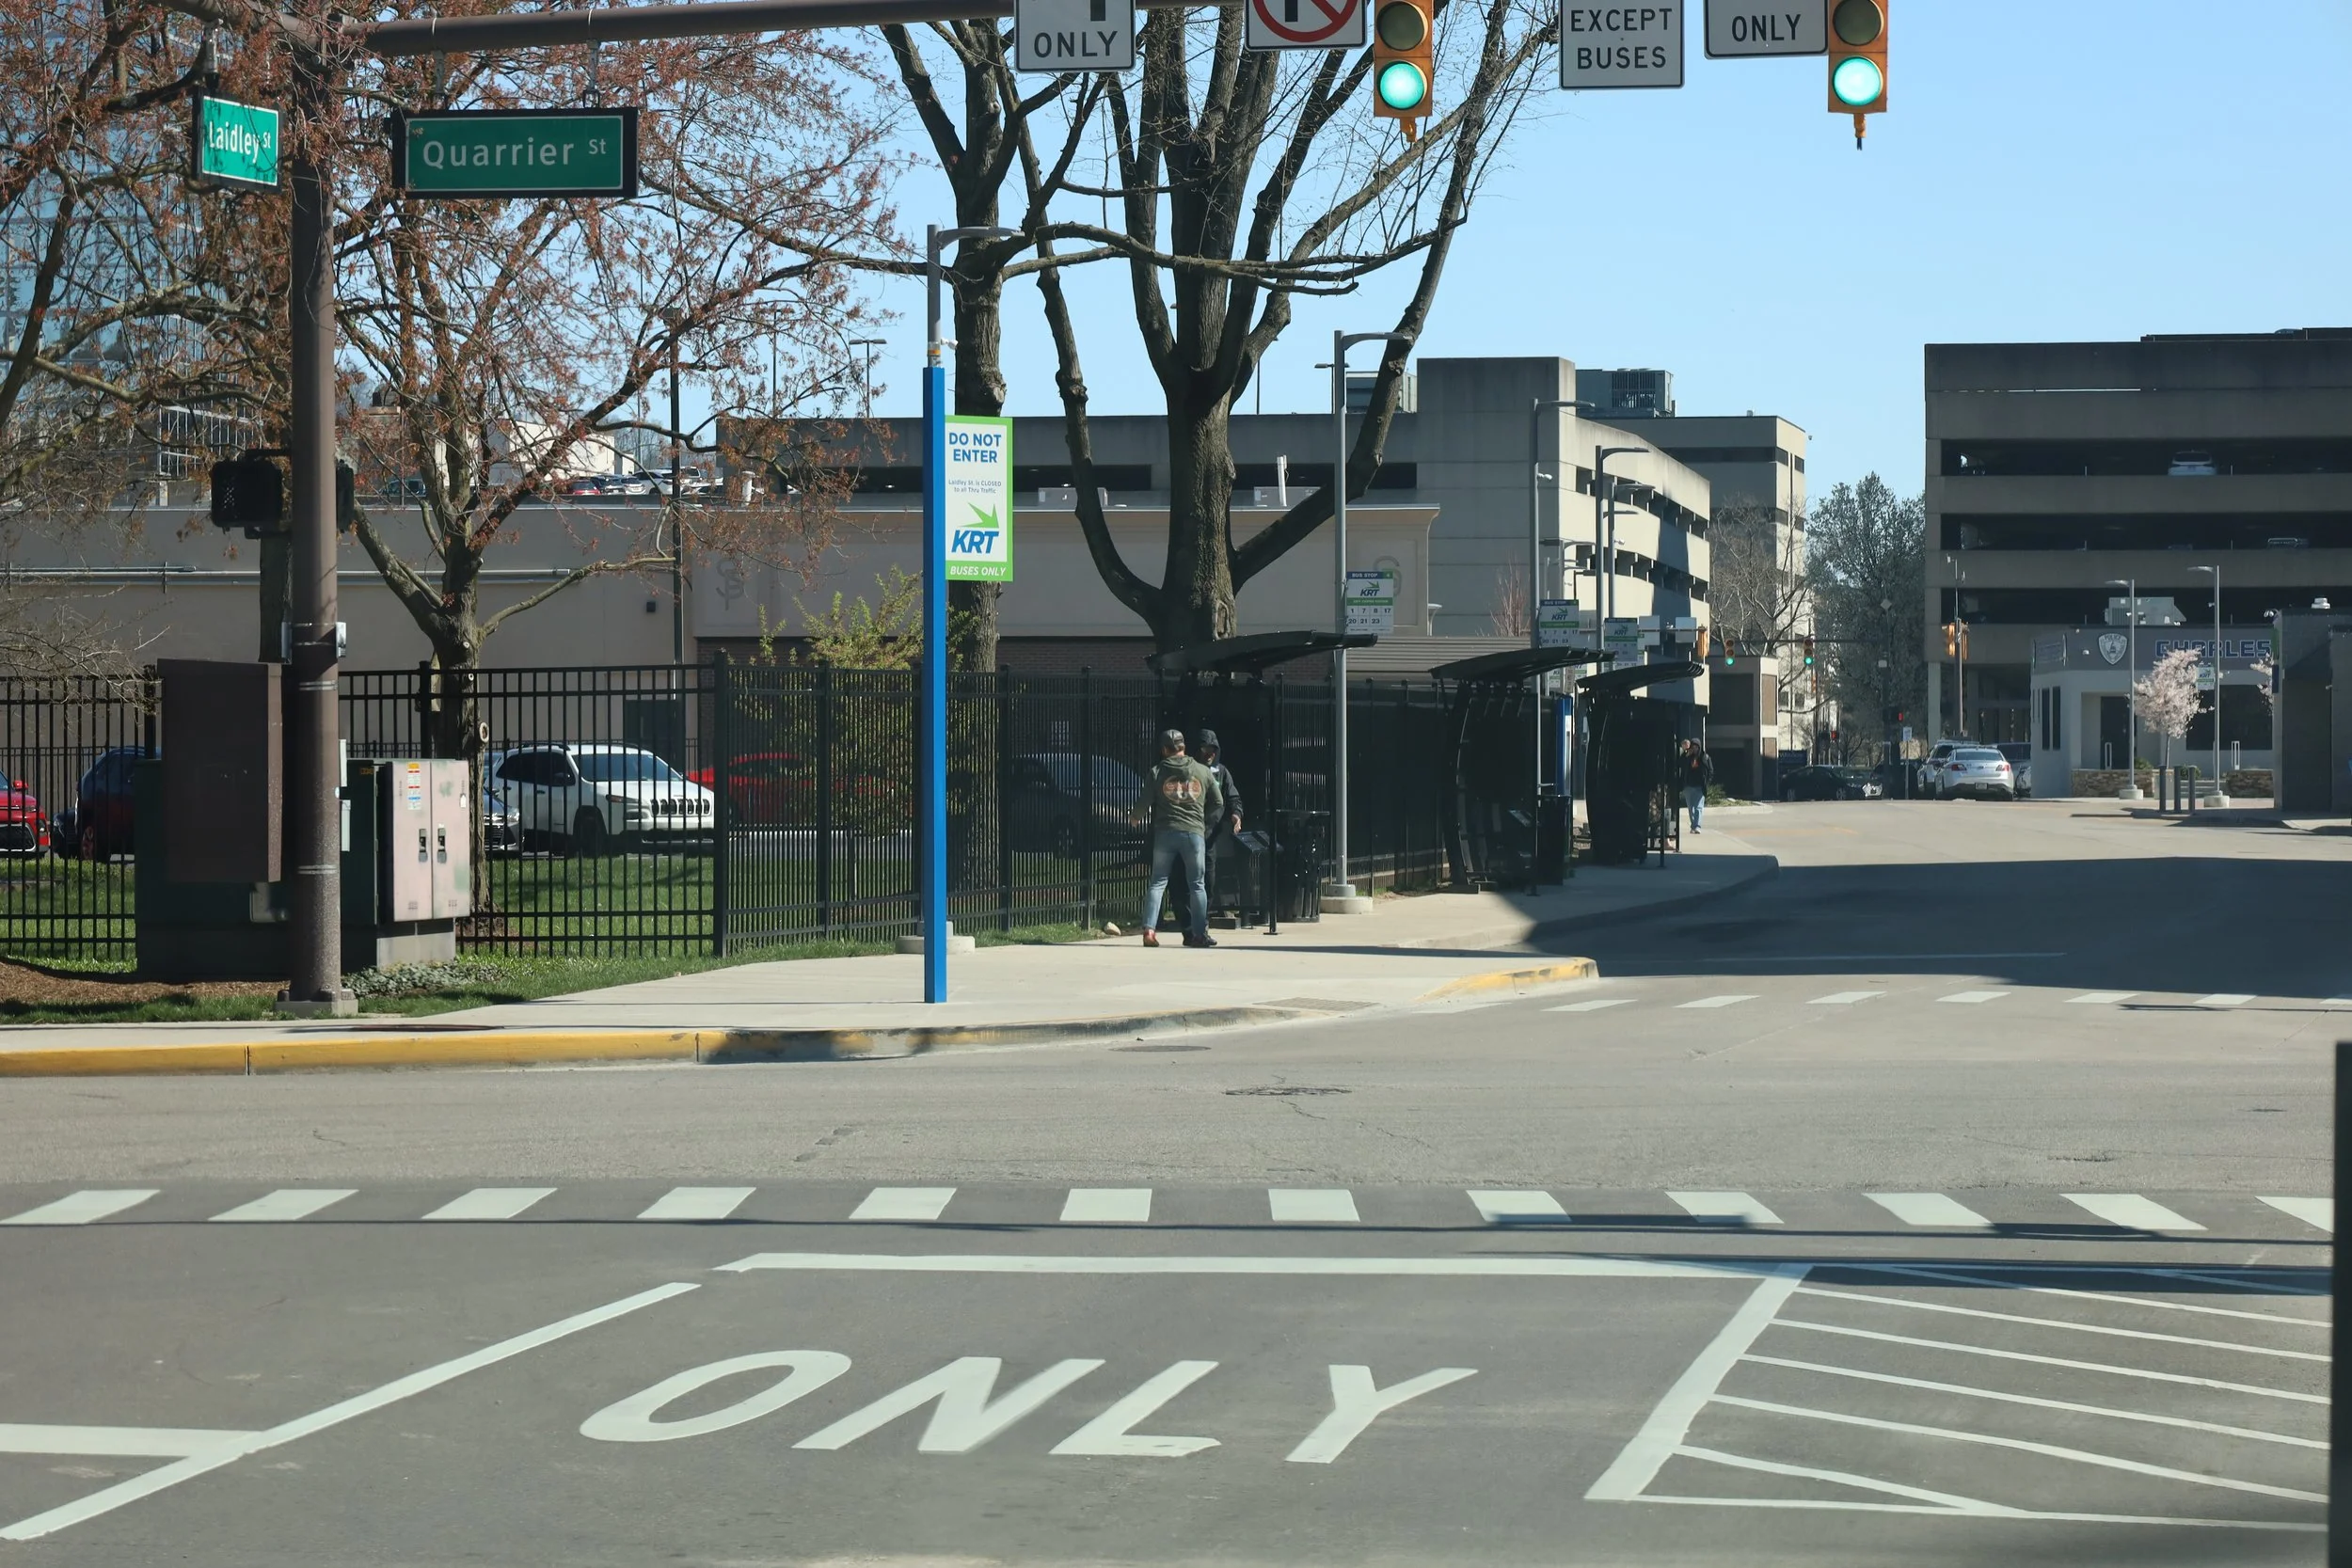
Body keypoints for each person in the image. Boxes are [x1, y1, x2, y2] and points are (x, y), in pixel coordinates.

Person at [1138, 729, 1223, 948]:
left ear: (1165, 749)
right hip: (1194, 833)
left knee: (1157, 882)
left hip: (1165, 833)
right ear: (1184, 747)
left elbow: (1144, 802)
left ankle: (1149, 930)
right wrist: (1204, 822)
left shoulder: (1157, 771)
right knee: (1197, 884)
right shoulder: (1202, 771)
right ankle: (1199, 933)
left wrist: (1134, 817)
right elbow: (1219, 802)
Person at [1194, 728, 1245, 918]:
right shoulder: (1189, 770)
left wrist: (1236, 814)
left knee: (1209, 876)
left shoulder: (1221, 772)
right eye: (1206, 748)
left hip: (1210, 834)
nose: (1210, 754)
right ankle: (1190, 914)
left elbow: (1233, 797)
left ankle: (1203, 916)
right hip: (1190, 830)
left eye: (1213, 749)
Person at [1679, 738, 1713, 834]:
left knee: (1698, 807)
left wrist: (1707, 782)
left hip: (1700, 786)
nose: (1694, 749)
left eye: (1696, 747)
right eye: (1693, 747)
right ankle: (1693, 825)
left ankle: (1697, 826)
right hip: (1688, 786)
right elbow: (1679, 764)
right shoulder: (1687, 757)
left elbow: (1710, 771)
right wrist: (1686, 755)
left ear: (1699, 747)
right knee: (1691, 808)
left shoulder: (1705, 757)